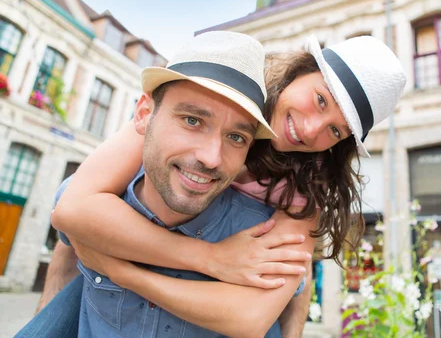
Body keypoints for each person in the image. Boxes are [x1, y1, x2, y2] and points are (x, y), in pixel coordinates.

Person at [20, 32, 406, 337]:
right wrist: (212, 258)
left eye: (334, 130)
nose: (309, 130)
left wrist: (124, 272)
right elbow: (73, 210)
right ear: (300, 71)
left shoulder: (305, 186)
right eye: (320, 100)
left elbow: (268, 303)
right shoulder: (210, 93)